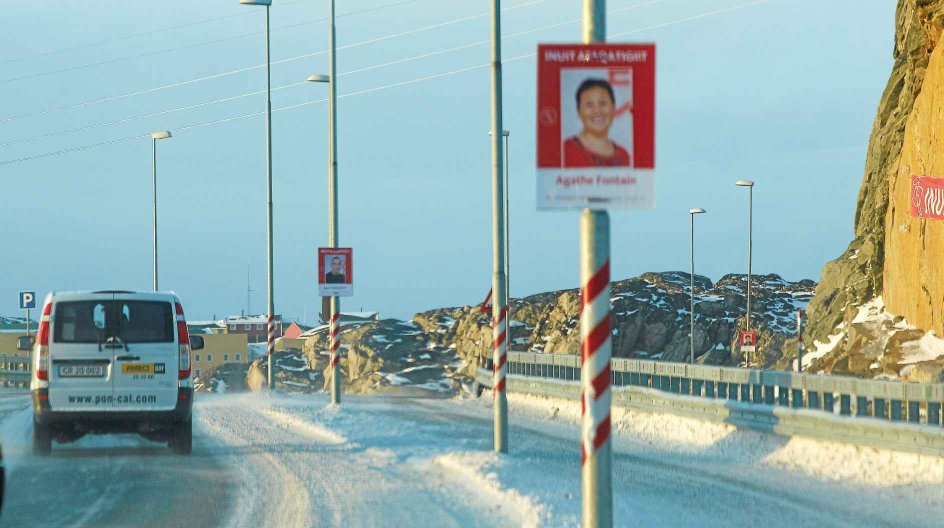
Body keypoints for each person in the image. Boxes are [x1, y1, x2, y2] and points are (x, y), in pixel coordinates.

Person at [562, 78, 631, 168]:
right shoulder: (566, 151)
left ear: (613, 108)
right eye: (589, 105)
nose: (597, 111)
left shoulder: (624, 155)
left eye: (603, 103)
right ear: (578, 111)